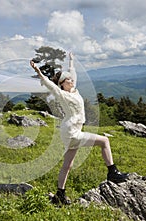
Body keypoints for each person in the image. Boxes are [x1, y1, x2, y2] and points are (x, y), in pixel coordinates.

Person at [30, 52, 129, 205]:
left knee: (67, 165)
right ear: (63, 83)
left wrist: (71, 60)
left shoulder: (74, 89)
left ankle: (59, 195)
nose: (71, 80)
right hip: (71, 132)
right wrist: (38, 71)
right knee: (105, 141)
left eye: (70, 78)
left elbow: (73, 73)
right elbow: (50, 84)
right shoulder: (62, 94)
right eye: (68, 79)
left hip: (72, 130)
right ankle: (113, 172)